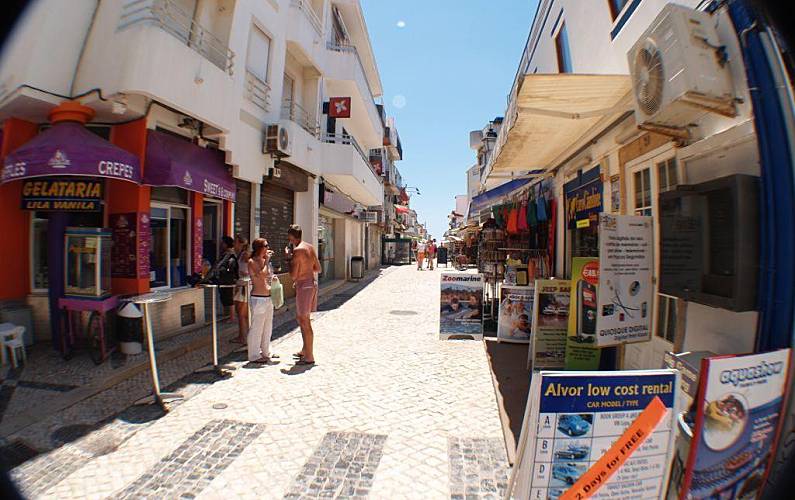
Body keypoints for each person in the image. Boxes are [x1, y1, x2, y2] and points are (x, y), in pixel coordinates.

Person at [286, 224, 321, 365]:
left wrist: (289, 258)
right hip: (310, 284)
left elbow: (293, 275)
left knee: (304, 321)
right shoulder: (309, 247)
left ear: (292, 237)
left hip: (303, 286)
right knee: (302, 320)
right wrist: (306, 269)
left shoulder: (297, 250)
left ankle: (309, 356)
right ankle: (305, 350)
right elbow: (318, 268)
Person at [247, 238, 277, 364]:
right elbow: (261, 275)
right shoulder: (252, 261)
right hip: (258, 298)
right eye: (266, 245)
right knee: (257, 328)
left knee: (267, 327)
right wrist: (267, 260)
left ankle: (266, 351)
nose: (268, 247)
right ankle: (254, 355)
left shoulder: (264, 261)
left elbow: (268, 275)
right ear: (260, 247)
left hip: (267, 297)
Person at [232, 235, 250, 345]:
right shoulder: (239, 255)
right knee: (241, 313)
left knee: (242, 313)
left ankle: (243, 337)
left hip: (243, 286)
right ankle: (243, 335)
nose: (234, 244)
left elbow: (252, 267)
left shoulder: (245, 255)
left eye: (235, 242)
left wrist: (246, 274)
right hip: (241, 285)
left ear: (240, 243)